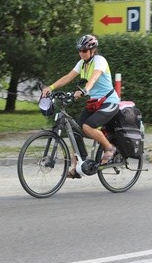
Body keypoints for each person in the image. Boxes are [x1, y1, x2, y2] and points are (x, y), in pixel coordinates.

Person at [41, 34, 120, 178]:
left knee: (87, 126)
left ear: (93, 50)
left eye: (84, 50)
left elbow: (95, 77)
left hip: (109, 102)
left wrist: (84, 90)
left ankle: (110, 148)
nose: (81, 53)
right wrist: (50, 88)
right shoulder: (82, 63)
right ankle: (81, 164)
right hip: (95, 103)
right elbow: (68, 77)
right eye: (80, 50)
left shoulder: (99, 61)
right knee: (76, 131)